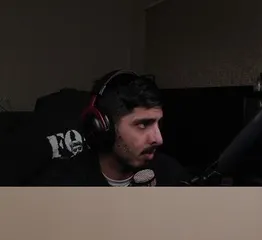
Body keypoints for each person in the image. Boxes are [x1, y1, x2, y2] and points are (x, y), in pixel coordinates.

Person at [34, 71, 190, 186]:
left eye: (158, 124)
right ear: (103, 127)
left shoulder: (170, 174)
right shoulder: (63, 183)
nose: (158, 139)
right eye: (143, 125)